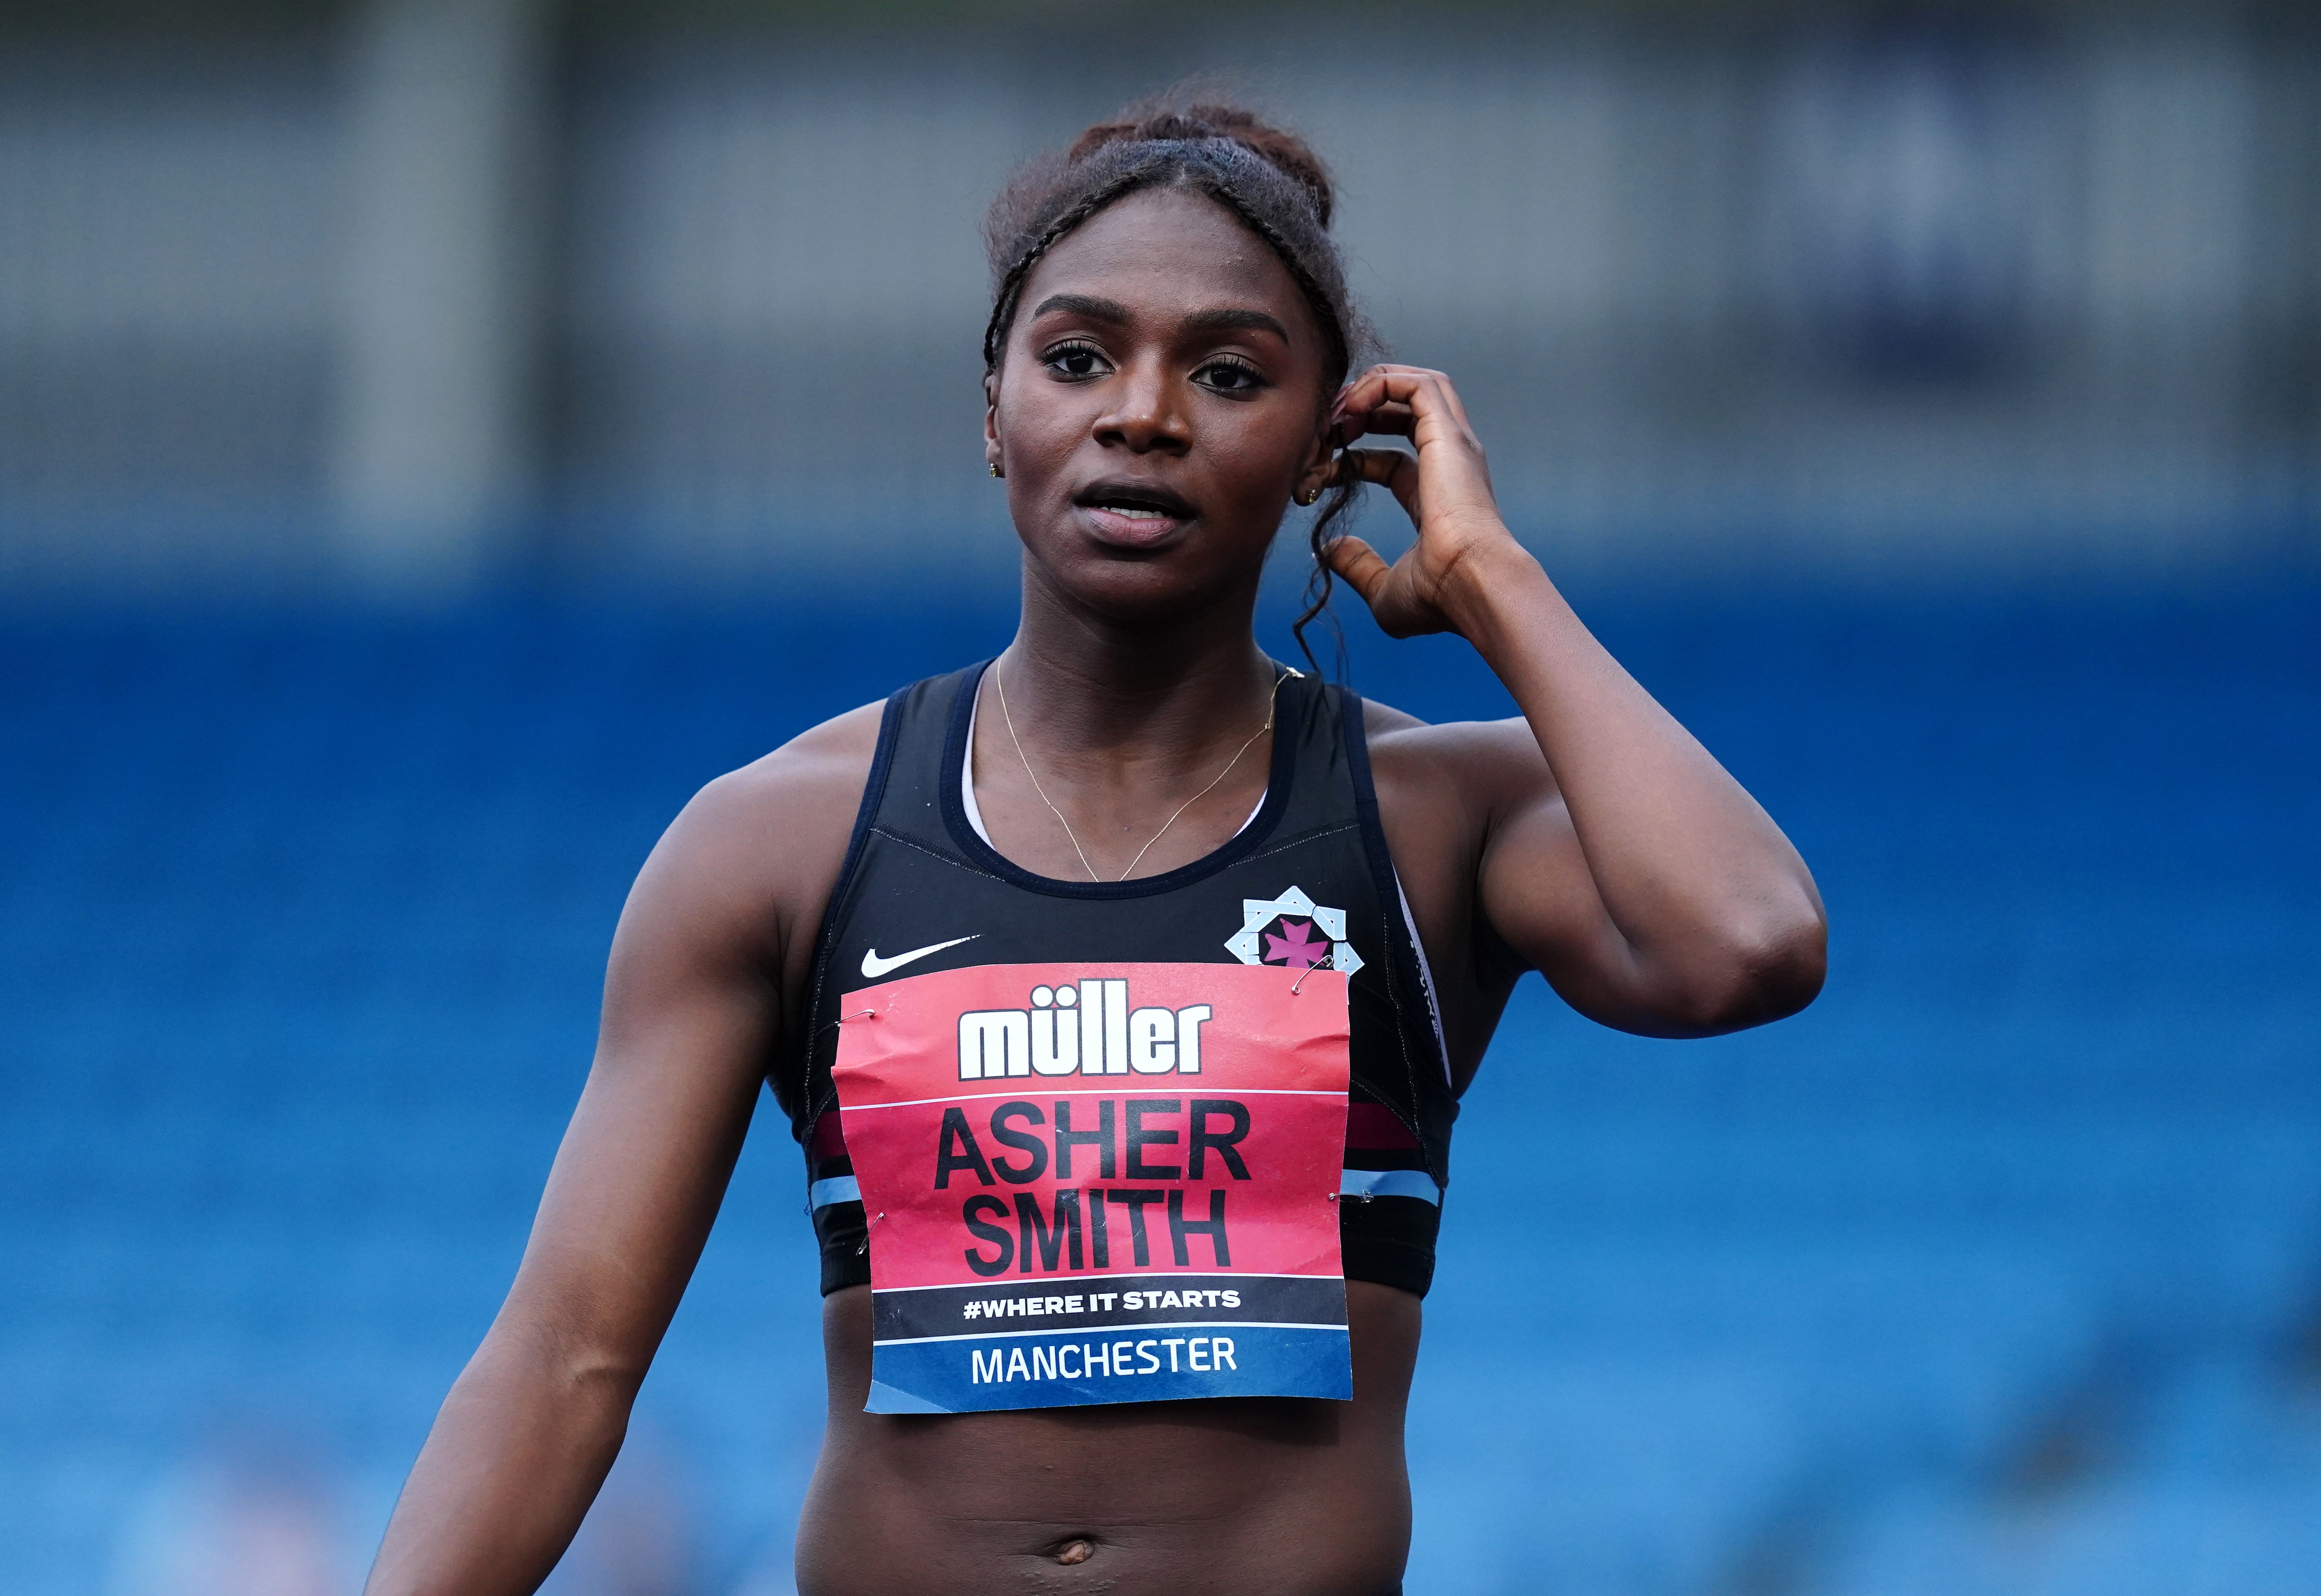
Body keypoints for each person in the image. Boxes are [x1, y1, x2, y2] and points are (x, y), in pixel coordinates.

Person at [360, 100, 1826, 1596]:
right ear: (992, 414)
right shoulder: (774, 842)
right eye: (1077, 359)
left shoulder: (1443, 817)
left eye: (1232, 375)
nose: (1144, 413)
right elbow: (564, 1362)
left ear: (1337, 445)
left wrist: (1490, 575)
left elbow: (1746, 944)